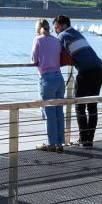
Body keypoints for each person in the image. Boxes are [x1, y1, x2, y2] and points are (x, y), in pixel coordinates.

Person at [54, 15, 102, 147]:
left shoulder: (62, 36)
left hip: (86, 73)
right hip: (99, 71)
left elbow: (55, 53)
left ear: (64, 26)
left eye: (57, 28)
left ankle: (83, 139)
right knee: (92, 106)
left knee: (79, 106)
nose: (56, 31)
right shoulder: (77, 33)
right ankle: (89, 140)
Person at [31, 19, 65, 151]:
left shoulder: (38, 40)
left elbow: (34, 60)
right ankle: (60, 144)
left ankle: (51, 143)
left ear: (37, 29)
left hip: (47, 79)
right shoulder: (56, 40)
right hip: (59, 78)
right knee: (59, 112)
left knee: (49, 113)